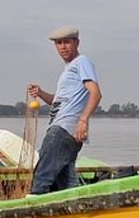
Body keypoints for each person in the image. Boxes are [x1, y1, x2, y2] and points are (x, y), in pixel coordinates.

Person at [28, 25, 102, 195]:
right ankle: (75, 216)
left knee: (41, 178)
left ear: (77, 42)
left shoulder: (81, 62)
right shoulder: (68, 69)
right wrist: (40, 93)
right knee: (66, 184)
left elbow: (96, 93)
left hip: (63, 130)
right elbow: (58, 101)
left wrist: (83, 121)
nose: (63, 47)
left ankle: (30, 213)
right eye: (59, 43)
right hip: (65, 131)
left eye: (67, 42)